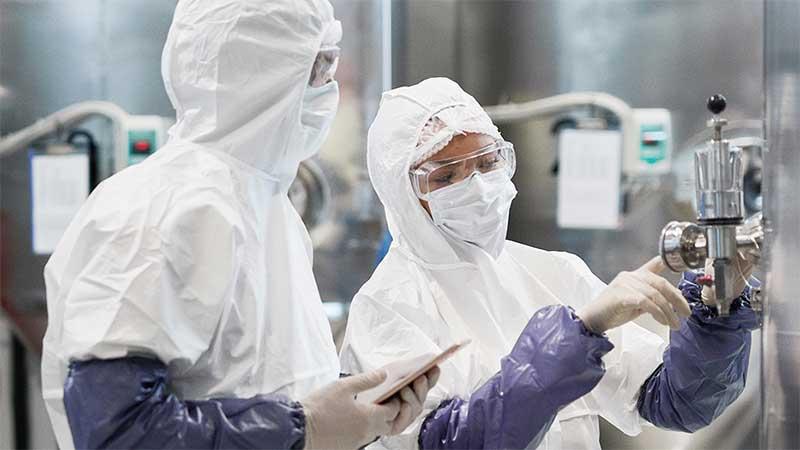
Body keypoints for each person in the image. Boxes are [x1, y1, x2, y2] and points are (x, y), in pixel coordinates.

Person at [41, 2, 437, 449]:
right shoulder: (158, 210)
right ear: (260, 71)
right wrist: (305, 427)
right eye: (318, 67)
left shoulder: (270, 208)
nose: (329, 89)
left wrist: (356, 404)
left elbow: (257, 379)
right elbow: (116, 428)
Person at [339, 77, 759, 450]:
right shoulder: (387, 307)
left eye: (487, 164)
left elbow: (676, 403)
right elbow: (453, 441)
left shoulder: (554, 273)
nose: (479, 187)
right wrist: (580, 333)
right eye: (446, 176)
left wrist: (717, 304)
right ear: (403, 195)